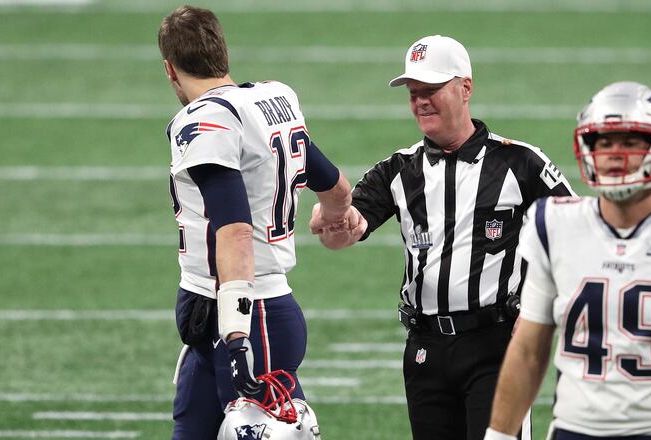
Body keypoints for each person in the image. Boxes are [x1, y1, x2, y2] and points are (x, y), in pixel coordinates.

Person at [310, 35, 574, 440]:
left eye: (431, 90)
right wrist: (334, 219)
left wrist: (541, 310)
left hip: (496, 346)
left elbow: (578, 236)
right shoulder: (398, 169)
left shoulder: (520, 162)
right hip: (424, 349)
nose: (421, 102)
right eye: (414, 93)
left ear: (465, 87)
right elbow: (349, 227)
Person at [485, 81, 651, 440]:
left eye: (629, 142)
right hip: (574, 431)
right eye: (604, 142)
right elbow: (529, 351)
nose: (613, 153)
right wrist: (498, 436)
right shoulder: (554, 225)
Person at [158, 6, 356, 439]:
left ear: (170, 69)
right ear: (221, 54)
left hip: (249, 319)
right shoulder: (270, 100)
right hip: (212, 319)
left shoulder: (205, 119)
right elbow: (333, 184)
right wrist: (340, 212)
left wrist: (234, 336)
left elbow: (233, 230)